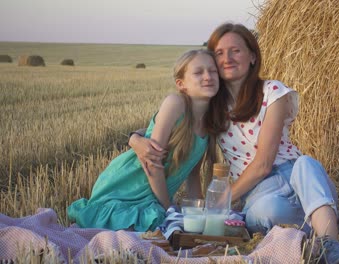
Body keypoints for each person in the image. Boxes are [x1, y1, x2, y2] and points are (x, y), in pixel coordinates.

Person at [129, 23, 339, 264]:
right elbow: (166, 122)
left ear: (252, 56)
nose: (227, 58)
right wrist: (135, 138)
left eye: (235, 50)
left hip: (295, 175)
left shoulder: (273, 92)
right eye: (219, 53)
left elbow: (263, 163)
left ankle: (330, 244)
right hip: (259, 191)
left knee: (307, 163)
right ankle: (332, 220)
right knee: (267, 213)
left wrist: (221, 200)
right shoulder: (212, 105)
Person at [68, 49, 228, 232]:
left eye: (213, 71)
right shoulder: (175, 103)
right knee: (155, 227)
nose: (208, 76)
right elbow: (152, 164)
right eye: (198, 72)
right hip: (127, 188)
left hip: (153, 196)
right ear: (181, 84)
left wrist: (199, 214)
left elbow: (193, 176)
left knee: (172, 232)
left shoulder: (209, 124)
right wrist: (168, 209)